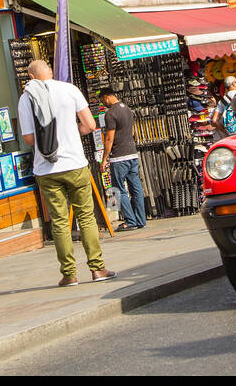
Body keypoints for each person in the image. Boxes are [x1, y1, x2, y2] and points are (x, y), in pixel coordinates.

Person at [19, 59, 116, 286]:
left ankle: (69, 274)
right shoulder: (70, 90)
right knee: (86, 217)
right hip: (75, 164)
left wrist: (47, 142)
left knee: (60, 222)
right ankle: (97, 269)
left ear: (31, 78)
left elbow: (28, 139)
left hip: (46, 169)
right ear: (51, 72)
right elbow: (90, 125)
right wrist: (72, 133)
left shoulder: (26, 98)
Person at [98, 87, 145, 232]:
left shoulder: (110, 113)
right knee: (136, 188)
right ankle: (140, 220)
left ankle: (130, 221)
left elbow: (109, 138)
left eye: (102, 101)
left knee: (119, 189)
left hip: (119, 157)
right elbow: (131, 132)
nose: (103, 104)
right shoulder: (128, 109)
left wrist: (104, 159)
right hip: (132, 154)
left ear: (106, 97)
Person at [211, 76, 236, 142]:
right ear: (233, 84)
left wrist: (225, 131)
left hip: (233, 135)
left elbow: (214, 120)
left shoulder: (222, 101)